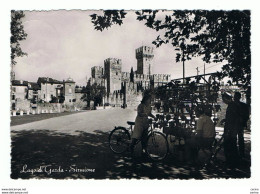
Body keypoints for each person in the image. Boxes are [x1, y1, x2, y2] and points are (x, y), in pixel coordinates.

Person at [221, 92, 240, 168]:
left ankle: (231, 163)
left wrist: (228, 131)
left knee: (230, 146)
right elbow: (232, 118)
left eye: (224, 100)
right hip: (231, 130)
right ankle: (231, 162)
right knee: (231, 146)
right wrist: (225, 120)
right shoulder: (232, 105)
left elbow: (233, 120)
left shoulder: (233, 106)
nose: (223, 101)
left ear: (226, 98)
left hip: (231, 130)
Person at [234, 92, 250, 158]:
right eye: (234, 97)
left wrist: (243, 121)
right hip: (233, 124)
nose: (235, 98)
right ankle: (235, 153)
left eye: (236, 97)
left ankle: (241, 153)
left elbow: (246, 115)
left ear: (239, 97)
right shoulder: (232, 105)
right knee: (233, 138)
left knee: (240, 138)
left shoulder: (243, 105)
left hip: (240, 124)